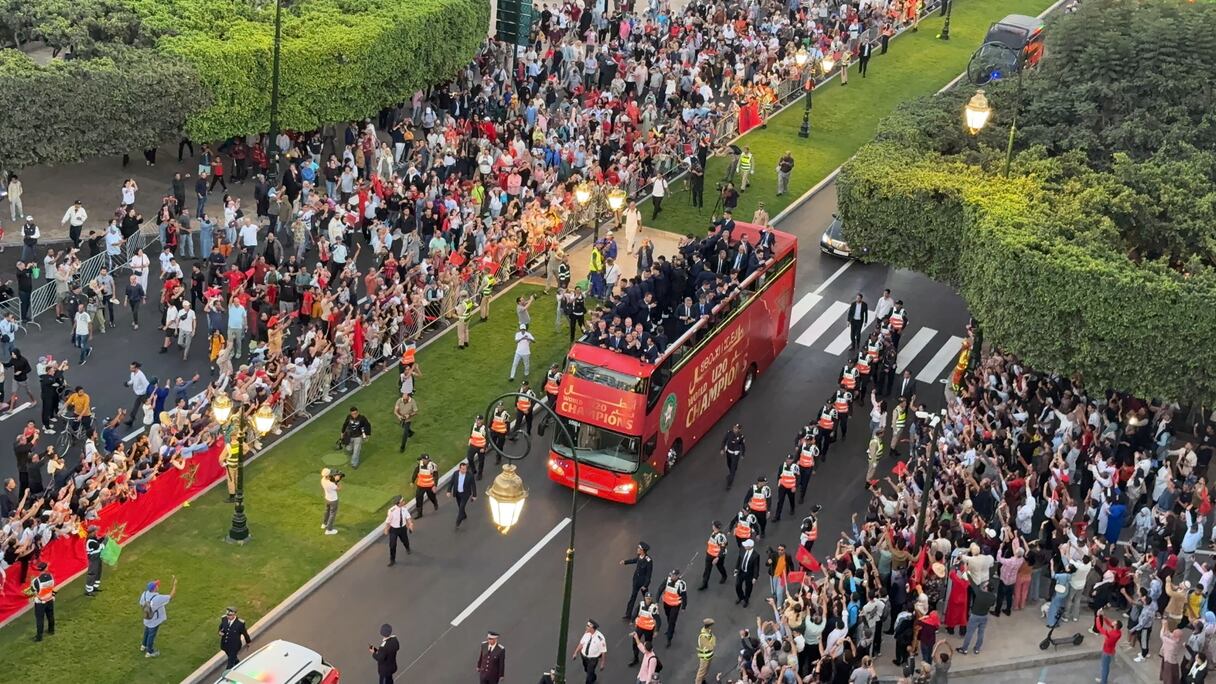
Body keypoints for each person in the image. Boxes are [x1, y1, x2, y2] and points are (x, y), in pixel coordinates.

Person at [139, 576, 177, 657]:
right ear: (154, 589)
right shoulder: (157, 598)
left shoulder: (144, 594)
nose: (158, 586)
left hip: (146, 617)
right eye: (156, 585)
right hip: (154, 620)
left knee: (146, 631)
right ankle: (150, 652)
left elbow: (141, 604)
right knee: (151, 635)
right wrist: (174, 585)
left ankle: (143, 645)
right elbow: (171, 596)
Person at [621, 542, 654, 620]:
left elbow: (649, 574)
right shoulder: (639, 556)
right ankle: (628, 614)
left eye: (639, 548)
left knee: (646, 598)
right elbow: (634, 560)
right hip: (636, 580)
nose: (637, 549)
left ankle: (652, 613)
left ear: (642, 550)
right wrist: (625, 562)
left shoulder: (648, 560)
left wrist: (645, 585)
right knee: (633, 597)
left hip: (643, 582)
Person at [26, 561, 56, 642]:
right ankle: (51, 630)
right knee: (50, 616)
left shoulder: (36, 580)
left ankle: (39, 637)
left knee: (40, 619)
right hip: (49, 600)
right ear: (45, 568)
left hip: (40, 602)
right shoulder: (51, 576)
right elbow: (52, 587)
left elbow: (33, 591)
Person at [659, 568, 687, 647]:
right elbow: (660, 589)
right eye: (672, 575)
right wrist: (657, 600)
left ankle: (669, 638)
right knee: (668, 616)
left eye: (674, 575)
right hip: (666, 603)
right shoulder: (667, 580)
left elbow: (684, 596)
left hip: (675, 605)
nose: (672, 576)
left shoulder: (681, 584)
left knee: (672, 620)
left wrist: (684, 606)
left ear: (678, 576)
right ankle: (671, 628)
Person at [383, 495, 414, 565]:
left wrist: (410, 524)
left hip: (402, 528)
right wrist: (386, 529)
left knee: (405, 540)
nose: (404, 502)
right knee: (392, 545)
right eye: (402, 501)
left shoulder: (404, 509)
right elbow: (388, 521)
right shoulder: (391, 511)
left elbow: (408, 517)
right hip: (394, 530)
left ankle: (407, 548)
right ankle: (392, 560)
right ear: (398, 503)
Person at [1094, 611, 1122, 684]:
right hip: (1111, 650)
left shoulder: (1111, 634)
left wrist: (1098, 617)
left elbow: (1099, 628)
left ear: (1115, 626)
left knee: (1104, 667)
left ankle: (1103, 682)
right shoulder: (1118, 632)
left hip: (1106, 651)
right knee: (1106, 666)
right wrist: (1103, 616)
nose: (1112, 622)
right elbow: (1109, 624)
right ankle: (1103, 680)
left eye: (1114, 622)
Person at [699, 520, 729, 590]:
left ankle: (724, 576)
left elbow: (723, 548)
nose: (712, 526)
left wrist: (717, 557)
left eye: (713, 525)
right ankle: (704, 583)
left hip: (717, 556)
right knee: (707, 569)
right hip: (709, 554)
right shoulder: (713, 533)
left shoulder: (720, 537)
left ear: (715, 527)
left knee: (720, 567)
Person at [447, 461, 477, 529]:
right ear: (459, 469)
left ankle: (457, 522)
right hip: (457, 493)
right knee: (460, 506)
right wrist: (449, 491)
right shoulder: (455, 474)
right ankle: (464, 515)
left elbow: (473, 485)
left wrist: (474, 495)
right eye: (463, 469)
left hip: (465, 494)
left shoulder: (470, 475)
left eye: (465, 469)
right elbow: (451, 483)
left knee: (461, 508)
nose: (464, 470)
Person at [735, 538, 760, 607]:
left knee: (748, 588)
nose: (744, 546)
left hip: (749, 574)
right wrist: (736, 568)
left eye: (746, 545)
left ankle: (746, 600)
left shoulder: (756, 555)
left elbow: (756, 567)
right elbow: (739, 559)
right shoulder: (742, 550)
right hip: (741, 572)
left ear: (750, 546)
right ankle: (741, 597)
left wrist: (755, 577)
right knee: (737, 585)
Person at [721, 423, 746, 489]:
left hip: (735, 455)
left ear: (739, 430)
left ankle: (729, 483)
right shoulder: (729, 433)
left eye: (736, 428)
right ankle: (733, 471)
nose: (735, 429)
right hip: (728, 452)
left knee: (733, 469)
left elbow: (742, 446)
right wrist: (722, 449)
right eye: (734, 428)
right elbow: (724, 441)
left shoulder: (741, 437)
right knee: (729, 464)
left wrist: (743, 454)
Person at [84, 526, 105, 596]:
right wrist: (105, 542)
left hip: (97, 557)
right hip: (93, 558)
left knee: (98, 572)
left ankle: (95, 587)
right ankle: (89, 591)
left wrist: (103, 538)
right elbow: (99, 546)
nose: (97, 531)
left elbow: (98, 541)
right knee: (92, 573)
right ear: (92, 532)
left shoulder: (93, 538)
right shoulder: (90, 541)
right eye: (95, 530)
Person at [695, 618, 716, 684]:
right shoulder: (703, 636)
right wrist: (712, 641)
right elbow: (710, 646)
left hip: (709, 654)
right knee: (702, 671)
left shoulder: (708, 631)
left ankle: (703, 679)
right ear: (709, 626)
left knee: (706, 668)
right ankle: (698, 682)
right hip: (705, 656)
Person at [320, 468, 340, 535]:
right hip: (333, 500)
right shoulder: (331, 483)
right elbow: (339, 489)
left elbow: (330, 480)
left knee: (327, 511)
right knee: (332, 514)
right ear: (328, 475)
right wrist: (338, 481)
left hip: (327, 498)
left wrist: (335, 480)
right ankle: (329, 530)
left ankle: (324, 524)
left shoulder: (322, 480)